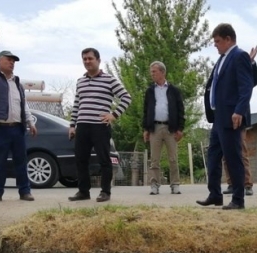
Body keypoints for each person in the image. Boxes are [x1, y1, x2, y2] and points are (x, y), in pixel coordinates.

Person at [197, 23, 254, 210]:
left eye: (218, 41)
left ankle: (238, 199)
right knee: (213, 157)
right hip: (218, 117)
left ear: (228, 39)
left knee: (233, 158)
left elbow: (247, 86)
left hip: (231, 117)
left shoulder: (239, 56)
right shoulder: (222, 59)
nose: (215, 45)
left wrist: (239, 110)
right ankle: (215, 194)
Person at [0, 29, 38, 203]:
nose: (12, 63)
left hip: (17, 129)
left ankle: (25, 191)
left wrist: (30, 122)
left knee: (21, 161)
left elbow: (23, 104)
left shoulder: (18, 83)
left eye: (14, 61)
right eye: (9, 59)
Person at [68, 48, 132, 202]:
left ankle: (105, 192)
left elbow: (126, 97)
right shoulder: (80, 81)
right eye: (84, 59)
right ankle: (83, 191)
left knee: (104, 160)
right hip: (82, 126)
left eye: (90, 58)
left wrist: (114, 115)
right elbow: (77, 104)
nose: (87, 61)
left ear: (98, 60)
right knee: (81, 160)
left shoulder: (109, 80)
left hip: (100, 126)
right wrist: (72, 125)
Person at [216, 45, 257, 196]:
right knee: (226, 152)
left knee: (240, 150)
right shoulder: (222, 66)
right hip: (224, 116)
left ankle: (246, 184)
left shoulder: (241, 62)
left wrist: (251, 63)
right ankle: (231, 183)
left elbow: (253, 81)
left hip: (239, 116)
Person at [142, 61, 185, 195]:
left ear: (162, 72)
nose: (152, 74)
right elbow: (146, 110)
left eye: (154, 71)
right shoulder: (150, 91)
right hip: (154, 128)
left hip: (170, 128)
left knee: (173, 158)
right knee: (154, 159)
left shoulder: (174, 90)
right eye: (151, 72)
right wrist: (146, 129)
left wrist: (180, 129)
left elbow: (180, 110)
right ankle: (154, 185)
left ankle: (175, 184)